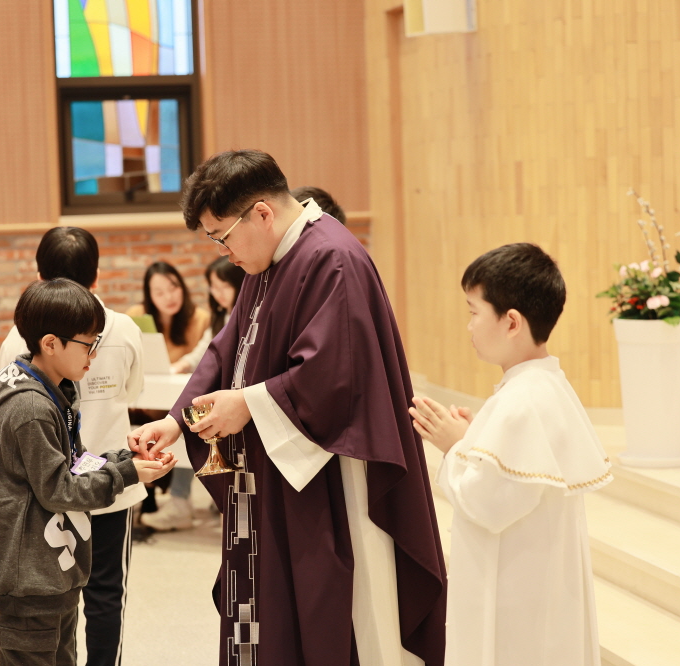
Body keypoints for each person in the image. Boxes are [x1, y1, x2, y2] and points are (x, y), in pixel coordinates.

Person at [131, 150, 447, 666]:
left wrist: (248, 404)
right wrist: (177, 419)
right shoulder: (270, 259)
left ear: (261, 213)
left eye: (222, 236)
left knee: (330, 616)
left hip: (327, 478)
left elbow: (335, 375)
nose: (223, 252)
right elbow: (227, 349)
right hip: (272, 473)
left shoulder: (331, 258)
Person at [409, 243, 610, 666]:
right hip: (538, 585)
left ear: (512, 322)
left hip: (518, 595)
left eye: (474, 311)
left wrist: (454, 446)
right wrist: (473, 439)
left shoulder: (521, 400)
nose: (469, 326)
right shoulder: (544, 384)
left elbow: (488, 503)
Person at [0, 278, 175, 666]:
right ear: (50, 344)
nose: (94, 353)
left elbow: (76, 464)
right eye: (88, 344)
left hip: (55, 570)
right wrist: (128, 475)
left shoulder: (56, 391)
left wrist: (124, 458)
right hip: (32, 579)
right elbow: (60, 489)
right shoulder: (31, 409)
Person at [145, 256, 245, 531]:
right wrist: (179, 366)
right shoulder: (219, 317)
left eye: (224, 286)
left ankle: (190, 500)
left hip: (233, 399)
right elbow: (204, 353)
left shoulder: (235, 314)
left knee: (192, 427)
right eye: (213, 287)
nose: (218, 293)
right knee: (184, 428)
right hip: (207, 394)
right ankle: (181, 501)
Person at [127, 261, 210, 364]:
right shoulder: (136, 315)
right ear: (150, 296)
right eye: (159, 293)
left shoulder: (201, 319)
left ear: (182, 287)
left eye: (173, 288)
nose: (169, 297)